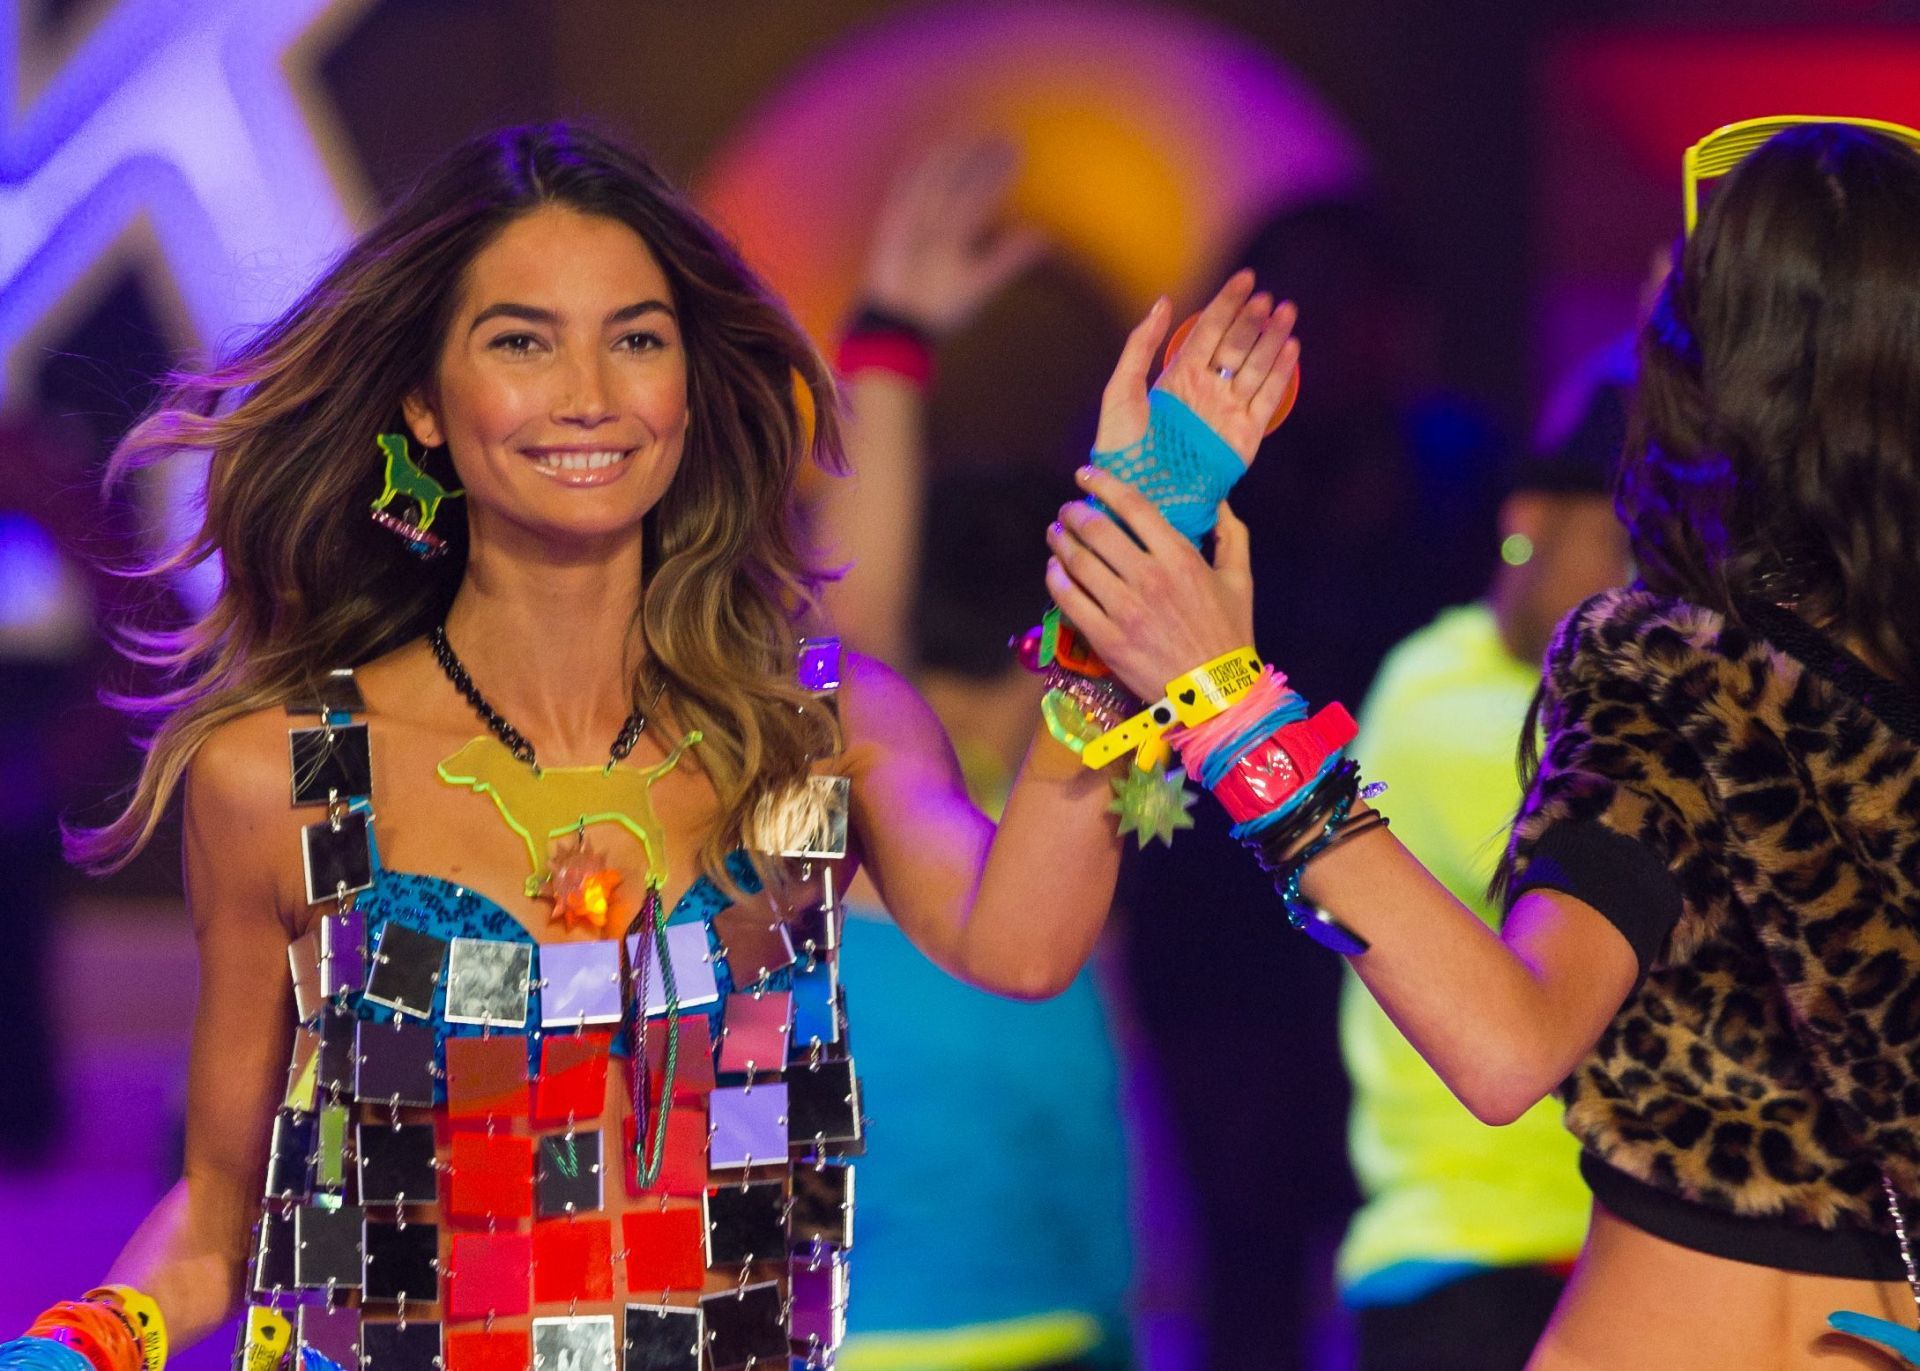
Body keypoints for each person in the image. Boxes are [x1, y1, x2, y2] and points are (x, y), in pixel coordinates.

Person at [8, 123, 1296, 1369]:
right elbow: (218, 1232)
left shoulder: (813, 732)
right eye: (523, 342)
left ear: (688, 387)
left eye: (637, 339)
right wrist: (79, 1346)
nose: (589, 395)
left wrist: (1149, 527)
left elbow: (1021, 945)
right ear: (426, 405)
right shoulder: (282, 776)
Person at [1047, 120, 1920, 1370]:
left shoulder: (1673, 668)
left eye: (1679, 279)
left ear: (1728, 356)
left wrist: (1227, 705)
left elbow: (1509, 1042)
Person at [813, 140, 1134, 1370]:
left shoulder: (1051, 797)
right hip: (894, 1332)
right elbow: (855, 630)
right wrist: (888, 345)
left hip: (1063, 1319)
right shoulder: (879, 789)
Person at [1336, 343, 1634, 1370]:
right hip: (1482, 1271)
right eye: (1626, 546)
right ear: (1529, 523)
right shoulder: (1447, 704)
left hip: (1573, 1265)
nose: (1654, 588)